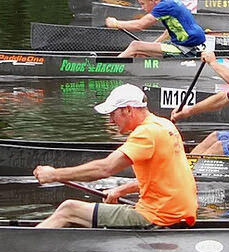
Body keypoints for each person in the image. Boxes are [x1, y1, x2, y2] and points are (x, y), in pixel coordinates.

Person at [33, 84, 198, 229]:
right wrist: (121, 190)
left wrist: (54, 175)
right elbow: (161, 178)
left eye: (113, 114)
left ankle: (24, 245)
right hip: (180, 213)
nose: (111, 121)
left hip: (156, 217)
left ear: (128, 110)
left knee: (68, 209)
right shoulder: (165, 125)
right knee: (80, 215)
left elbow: (104, 169)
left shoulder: (146, 133)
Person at [105, 0, 206, 58]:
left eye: (143, 3)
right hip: (188, 44)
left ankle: (110, 67)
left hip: (186, 48)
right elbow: (168, 32)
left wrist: (116, 23)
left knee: (135, 45)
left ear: (152, 0)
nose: (142, 7)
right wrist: (153, 45)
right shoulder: (169, 0)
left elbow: (140, 25)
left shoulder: (163, 7)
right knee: (141, 52)